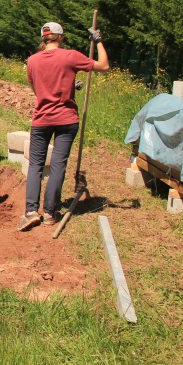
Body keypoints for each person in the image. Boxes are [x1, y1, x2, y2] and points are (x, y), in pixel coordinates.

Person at [17, 21, 110, 231]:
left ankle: (31, 212)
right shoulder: (71, 56)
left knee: (35, 165)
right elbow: (103, 66)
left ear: (43, 37)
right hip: (67, 120)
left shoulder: (32, 61)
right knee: (58, 165)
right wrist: (99, 40)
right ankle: (50, 213)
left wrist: (66, 86)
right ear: (61, 37)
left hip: (42, 120)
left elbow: (37, 89)